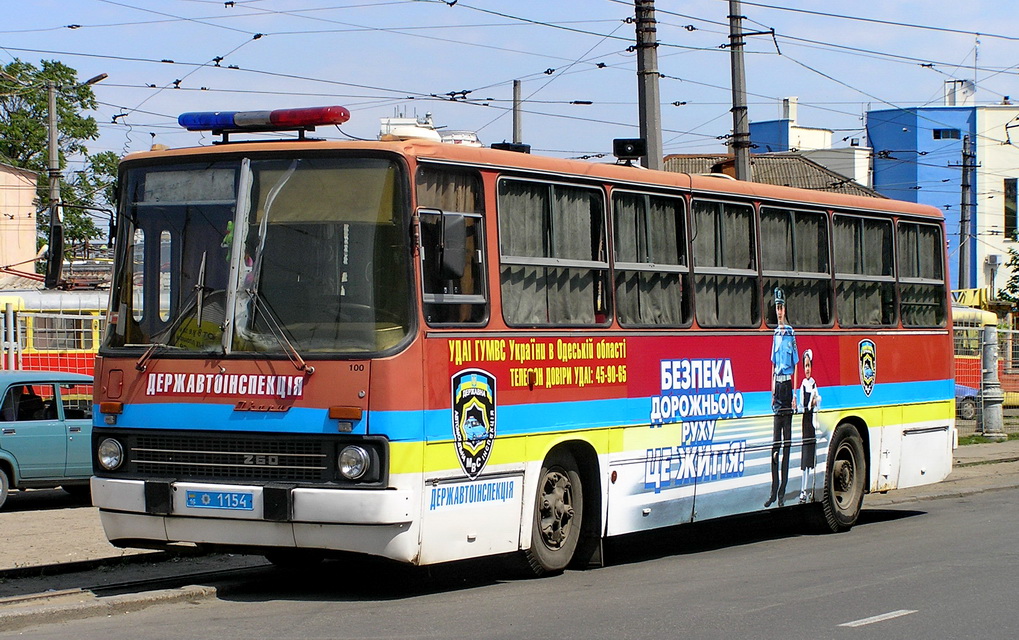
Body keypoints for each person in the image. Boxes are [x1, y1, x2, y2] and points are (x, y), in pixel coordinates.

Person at [766, 288, 797, 508]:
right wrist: (771, 391)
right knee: (775, 446)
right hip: (777, 387)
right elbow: (772, 366)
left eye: (781, 307)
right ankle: (773, 491)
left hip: (787, 388)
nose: (778, 311)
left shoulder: (790, 335)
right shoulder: (775, 335)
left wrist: (794, 395)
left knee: (787, 446)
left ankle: (783, 493)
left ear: (786, 309)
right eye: (776, 308)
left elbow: (794, 366)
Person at [798, 349, 822, 503]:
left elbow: (819, 403)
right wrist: (810, 403)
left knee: (811, 459)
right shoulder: (803, 385)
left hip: (812, 423)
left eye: (809, 366)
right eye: (805, 366)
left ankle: (812, 490)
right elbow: (802, 405)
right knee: (805, 459)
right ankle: (802, 490)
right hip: (806, 422)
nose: (807, 369)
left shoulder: (814, 383)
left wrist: (816, 401)